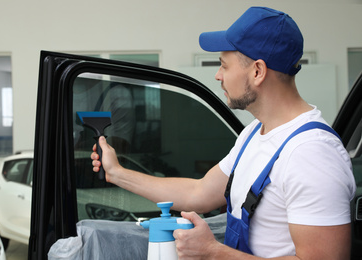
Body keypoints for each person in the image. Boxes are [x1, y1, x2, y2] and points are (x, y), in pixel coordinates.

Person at [91, 6, 356, 259]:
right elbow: (199, 193)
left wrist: (213, 253)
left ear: (257, 71)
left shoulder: (311, 154)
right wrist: (117, 173)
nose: (218, 75)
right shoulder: (254, 133)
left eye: (224, 65)